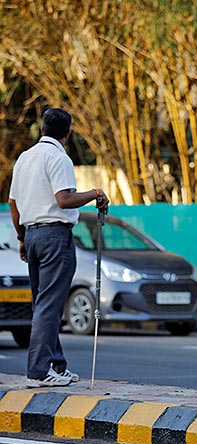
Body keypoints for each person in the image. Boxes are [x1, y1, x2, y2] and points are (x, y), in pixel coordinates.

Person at [8, 108, 109, 388]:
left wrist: (21, 238)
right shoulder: (58, 157)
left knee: (43, 303)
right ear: (68, 133)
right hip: (55, 236)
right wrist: (95, 193)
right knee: (49, 306)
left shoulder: (24, 158)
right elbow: (64, 200)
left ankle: (56, 365)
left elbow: (13, 204)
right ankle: (39, 371)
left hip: (32, 235)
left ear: (42, 129)